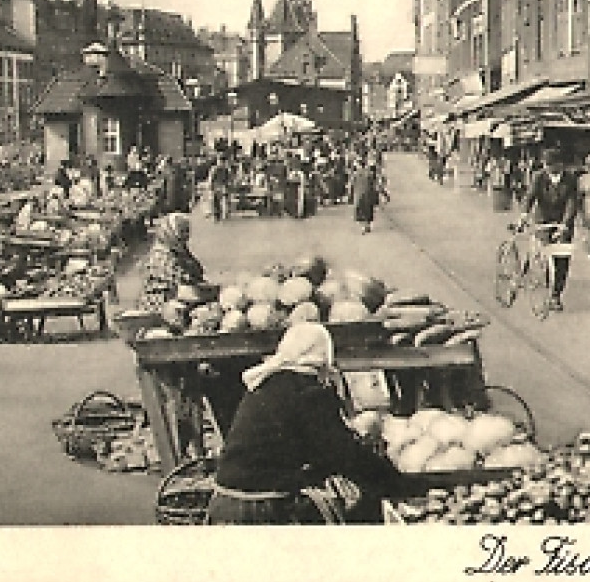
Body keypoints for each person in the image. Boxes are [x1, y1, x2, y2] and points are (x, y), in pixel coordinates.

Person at [207, 323, 403, 524]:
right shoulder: (308, 391)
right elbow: (341, 454)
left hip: (224, 504)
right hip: (259, 510)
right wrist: (394, 481)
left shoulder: (267, 382)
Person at [524, 147, 579, 310]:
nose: (548, 169)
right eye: (546, 165)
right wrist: (523, 214)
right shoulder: (538, 177)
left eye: (551, 165)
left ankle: (556, 295)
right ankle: (546, 282)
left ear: (560, 165)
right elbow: (530, 197)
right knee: (547, 254)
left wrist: (565, 224)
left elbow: (572, 202)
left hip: (562, 222)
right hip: (543, 219)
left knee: (561, 259)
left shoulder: (570, 179)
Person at [138, 212, 203, 312]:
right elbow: (177, 288)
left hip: (185, 301)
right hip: (161, 307)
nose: (185, 237)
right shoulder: (159, 257)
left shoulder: (181, 252)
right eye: (182, 233)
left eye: (186, 232)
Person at [349, 156, 386, 234]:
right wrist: (383, 193)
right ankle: (367, 225)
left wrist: (350, 195)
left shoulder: (355, 174)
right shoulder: (369, 173)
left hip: (359, 194)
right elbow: (376, 184)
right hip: (368, 193)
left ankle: (364, 226)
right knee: (368, 210)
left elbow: (351, 185)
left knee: (360, 210)